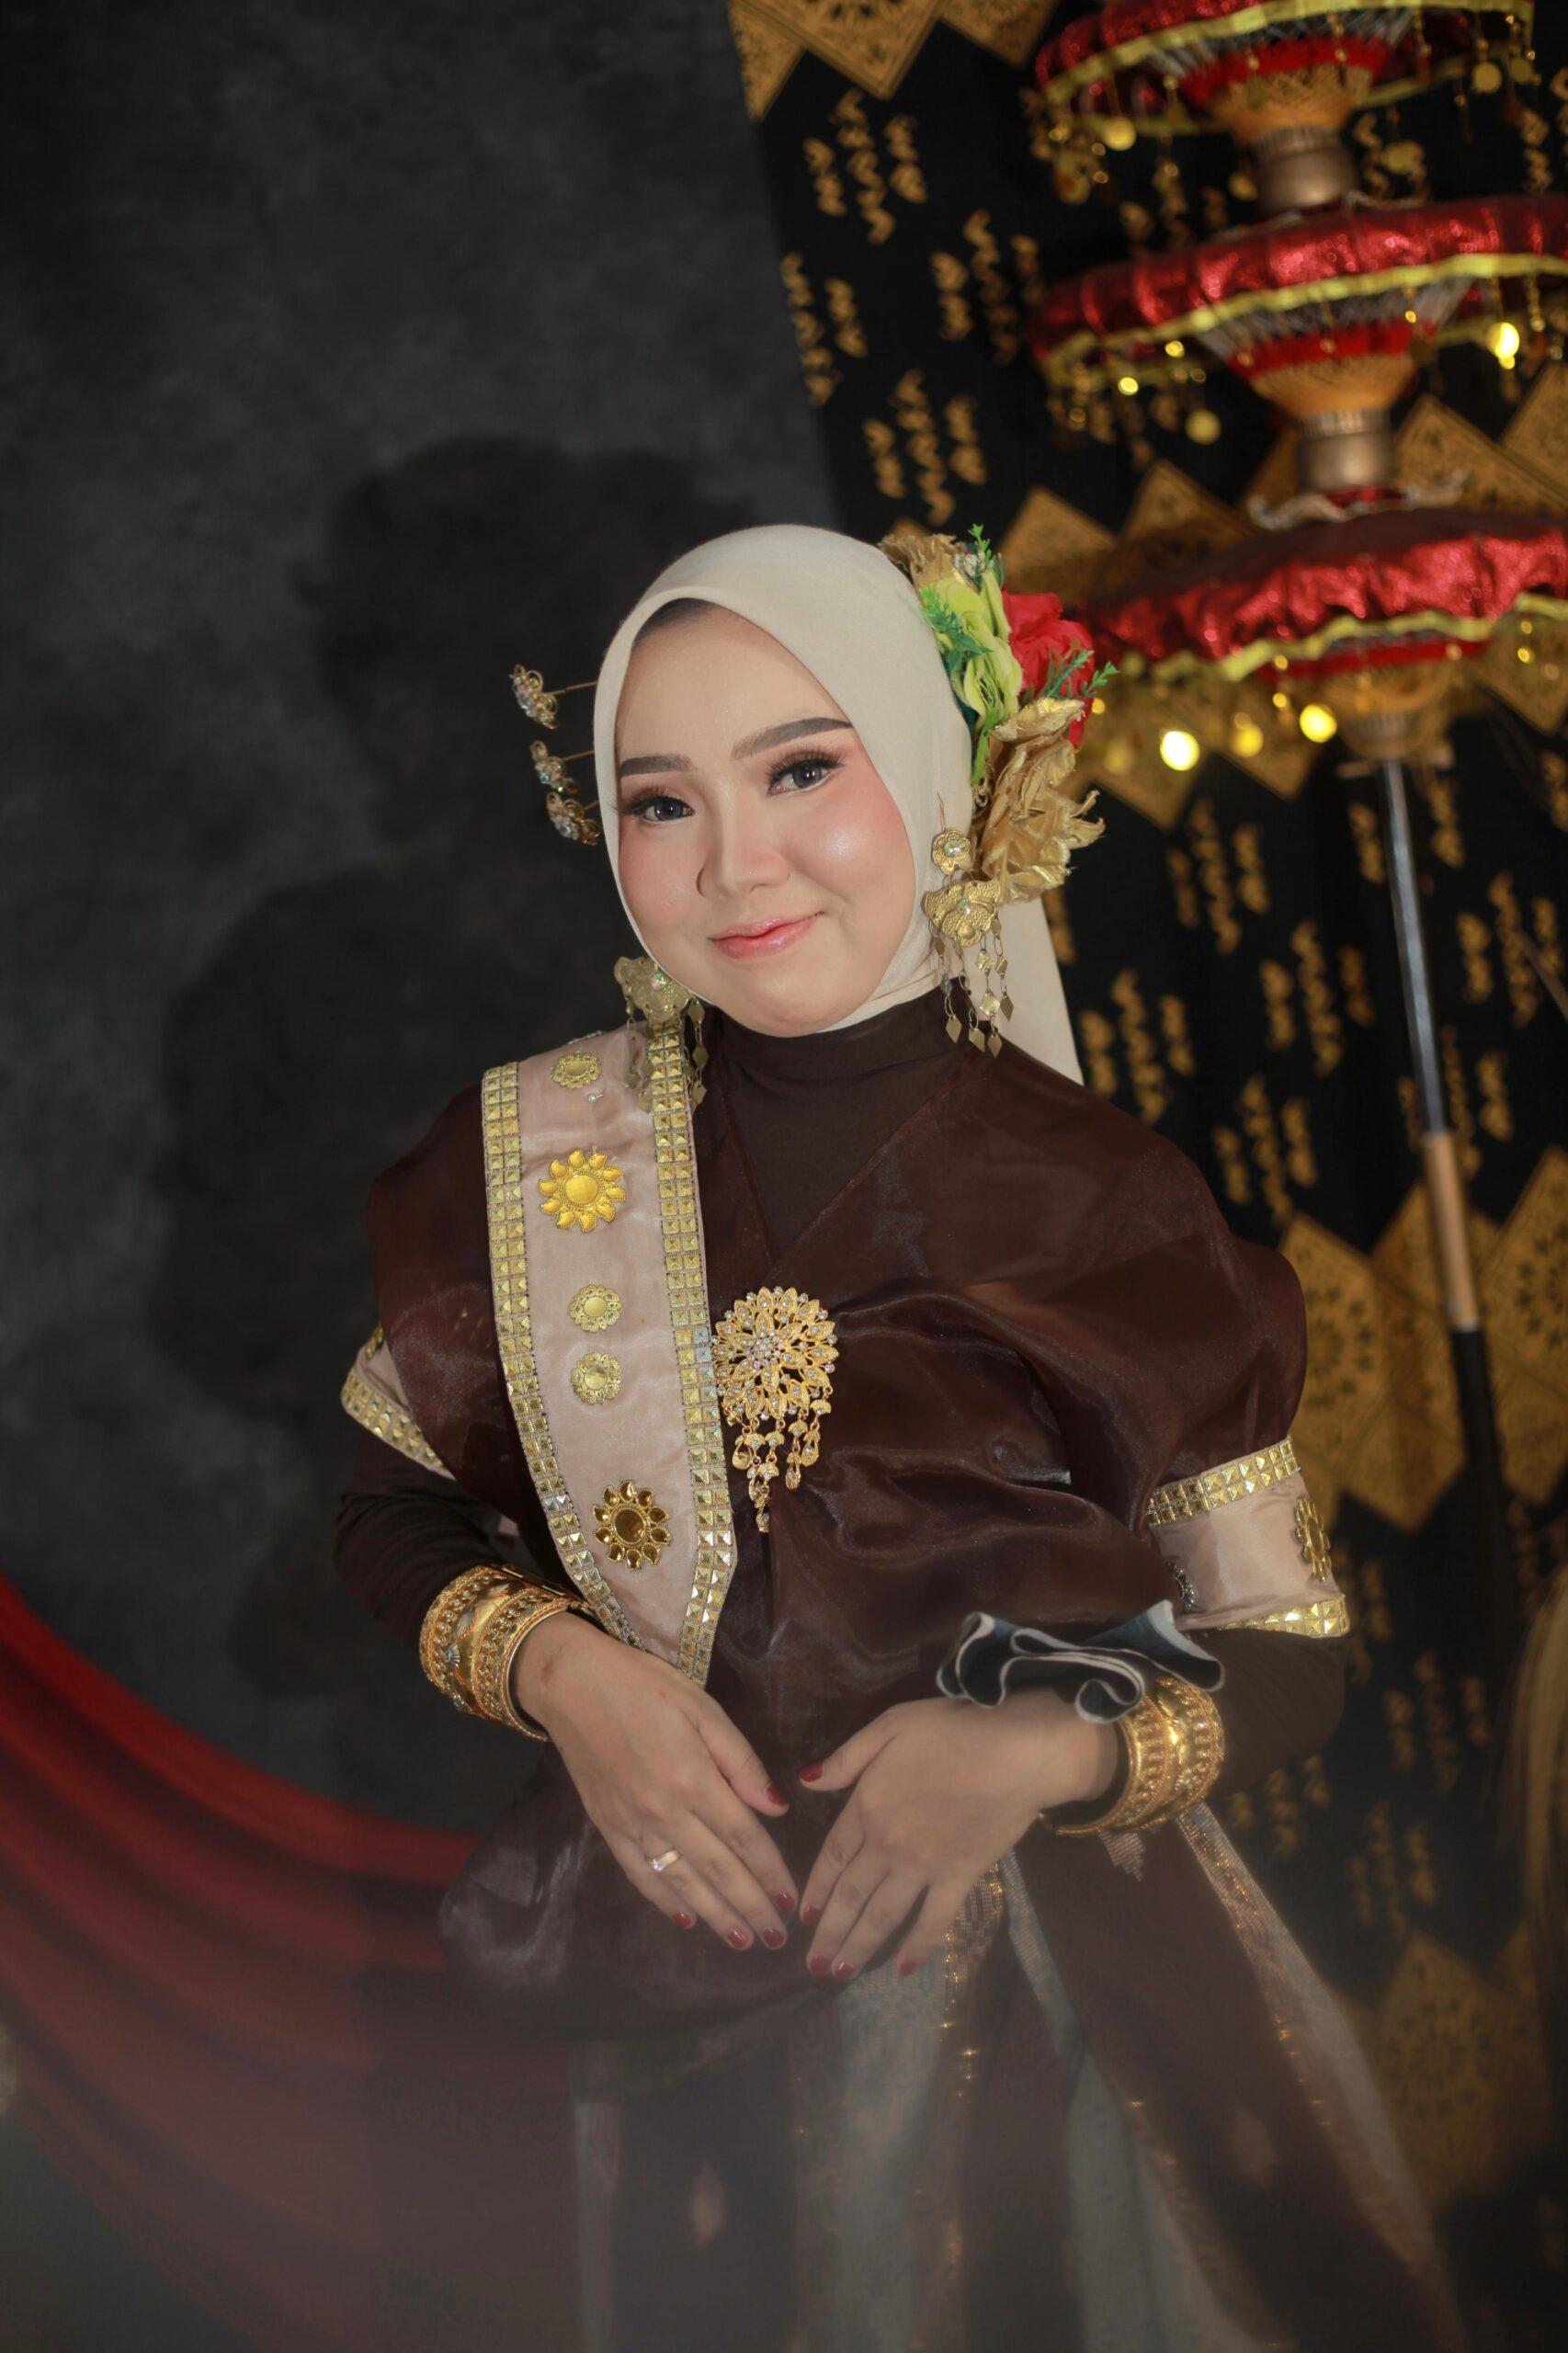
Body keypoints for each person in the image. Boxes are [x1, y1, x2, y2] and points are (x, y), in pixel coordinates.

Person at [334, 523, 1463, 2351]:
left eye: (799, 768)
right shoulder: (532, 1161)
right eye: (660, 801)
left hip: (1076, 2012)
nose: (733, 862)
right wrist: (563, 1672)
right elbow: (389, 1513)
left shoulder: (1105, 1197)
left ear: (942, 767)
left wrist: (1033, 1755)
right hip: (680, 1972)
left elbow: (1288, 1649)